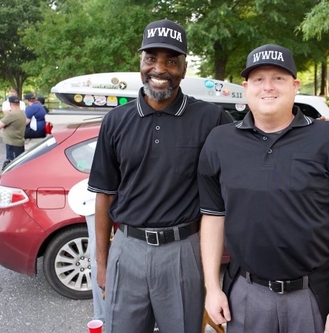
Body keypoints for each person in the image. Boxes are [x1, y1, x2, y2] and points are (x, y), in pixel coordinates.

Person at [198, 44, 329, 333]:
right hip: (244, 292)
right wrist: (212, 288)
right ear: (245, 87)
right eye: (258, 79)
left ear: (294, 86)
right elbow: (213, 218)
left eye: (278, 78)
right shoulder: (219, 142)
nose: (268, 87)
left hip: (310, 295)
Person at [87, 19, 231, 333]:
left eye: (170, 60)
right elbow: (104, 194)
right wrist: (102, 264)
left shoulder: (211, 119)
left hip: (183, 251)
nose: (159, 69)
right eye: (151, 59)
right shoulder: (115, 121)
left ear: (184, 66)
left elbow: (254, 143)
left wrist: (314, 128)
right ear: (140, 62)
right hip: (127, 249)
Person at [67, 178, 105, 323]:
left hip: (96, 196)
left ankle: (102, 316)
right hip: (94, 198)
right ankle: (102, 315)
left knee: (98, 258)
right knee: (98, 259)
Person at [0, 96, 27, 169]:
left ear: (10, 104)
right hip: (19, 140)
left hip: (12, 142)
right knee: (20, 161)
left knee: (12, 163)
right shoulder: (22, 113)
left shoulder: (12, 114)